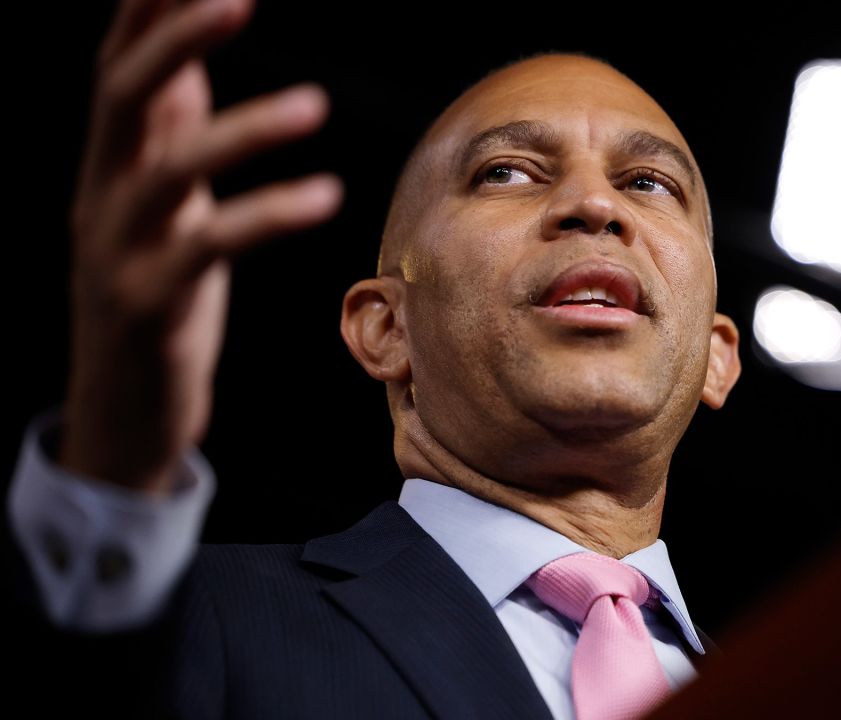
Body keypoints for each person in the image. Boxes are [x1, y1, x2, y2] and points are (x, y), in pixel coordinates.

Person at [4, 0, 742, 718]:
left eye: (649, 184)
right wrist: (113, 453)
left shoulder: (818, 678)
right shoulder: (197, 614)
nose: (593, 203)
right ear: (385, 328)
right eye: (507, 172)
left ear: (716, 355)